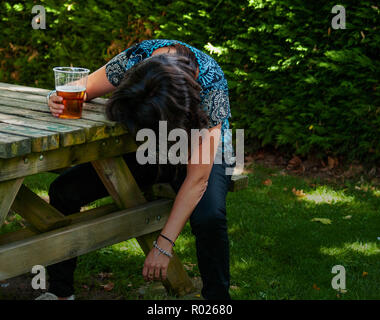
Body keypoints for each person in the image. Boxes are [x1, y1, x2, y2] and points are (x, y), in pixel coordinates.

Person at [36, 39, 235, 300]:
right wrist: (55, 97)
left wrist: (163, 245)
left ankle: (217, 301)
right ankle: (60, 293)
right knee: (64, 190)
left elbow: (197, 180)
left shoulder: (211, 81)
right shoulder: (136, 59)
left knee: (209, 216)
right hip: (150, 149)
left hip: (207, 150)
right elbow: (81, 89)